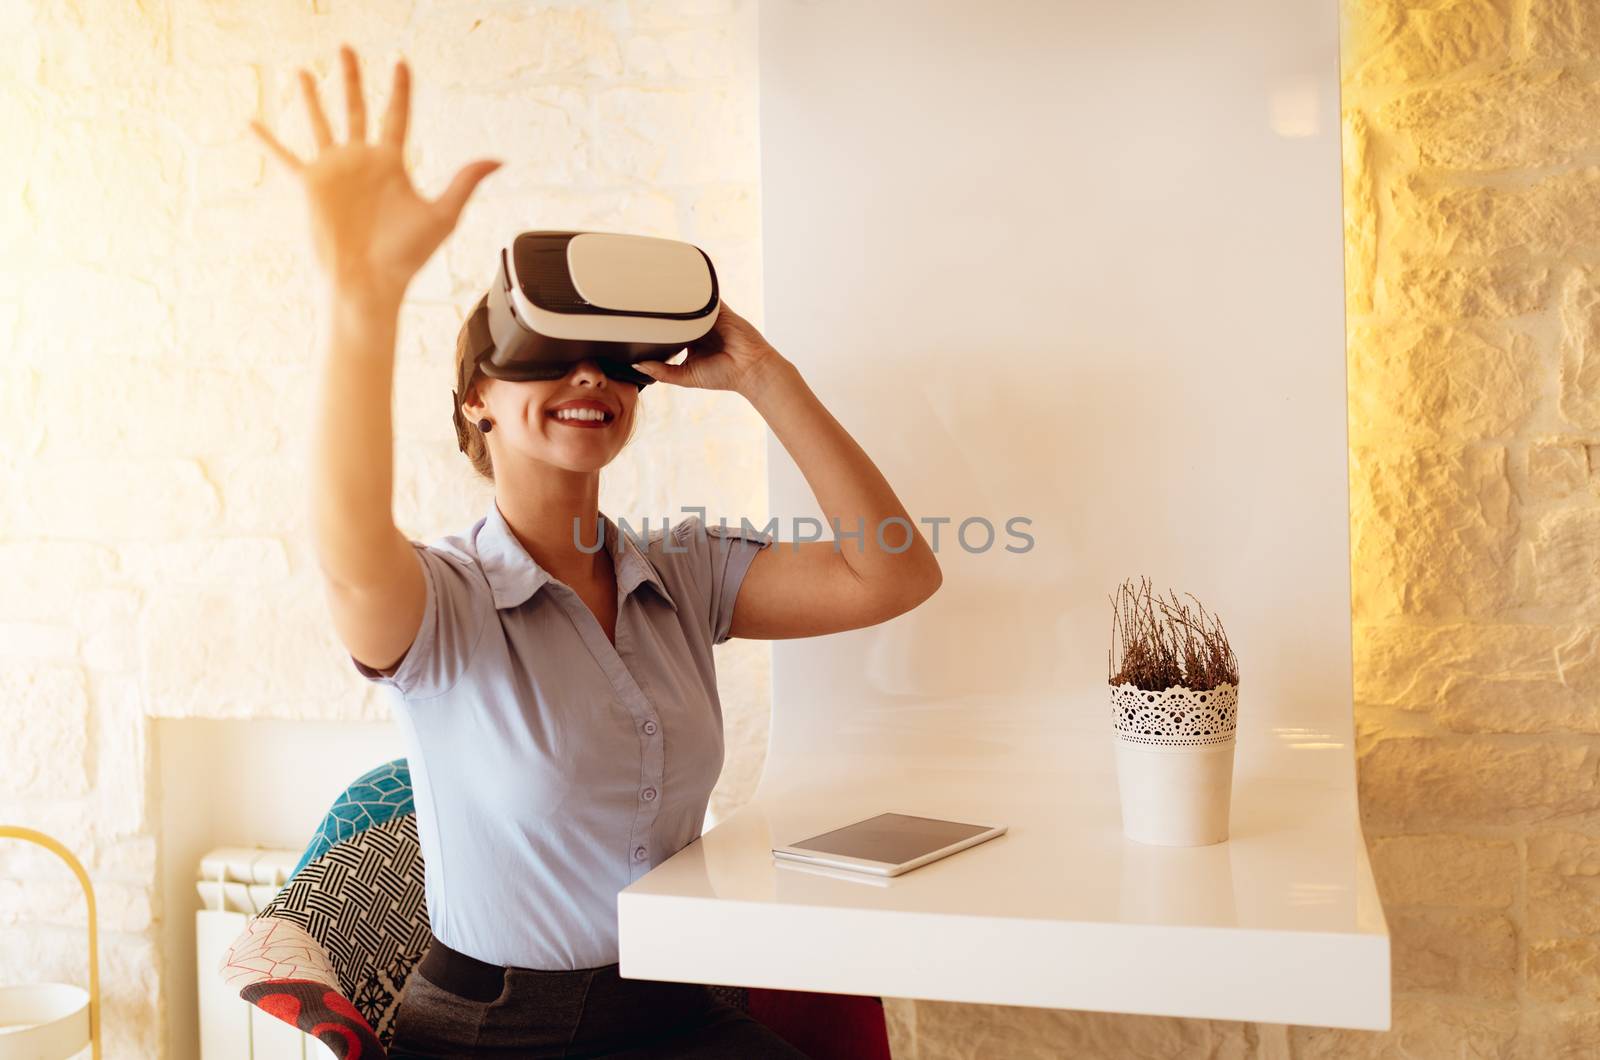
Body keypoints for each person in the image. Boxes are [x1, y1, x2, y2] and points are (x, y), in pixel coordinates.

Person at [249, 43, 942, 1058]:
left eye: (612, 360)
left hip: (674, 1004)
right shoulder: (442, 604)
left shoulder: (685, 570)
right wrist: (363, 298)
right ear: (476, 400)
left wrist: (760, 372)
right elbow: (350, 555)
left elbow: (895, 570)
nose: (587, 378)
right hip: (494, 1032)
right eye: (540, 355)